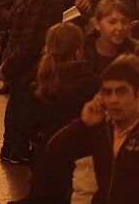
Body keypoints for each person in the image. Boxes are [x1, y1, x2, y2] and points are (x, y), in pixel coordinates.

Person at [23, 57, 139, 203]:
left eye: (121, 92)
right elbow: (55, 153)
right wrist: (83, 123)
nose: (113, 100)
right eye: (107, 92)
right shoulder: (103, 128)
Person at [0, 0, 64, 164]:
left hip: (30, 72)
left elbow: (32, 41)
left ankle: (17, 154)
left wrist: (8, 66)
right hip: (23, 72)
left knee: (22, 118)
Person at [26, 23, 98, 164]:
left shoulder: (38, 88)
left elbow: (29, 129)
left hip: (47, 157)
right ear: (78, 52)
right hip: (81, 158)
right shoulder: (92, 83)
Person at [83, 0, 139, 76]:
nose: (120, 28)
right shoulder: (83, 51)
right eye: (112, 22)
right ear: (97, 24)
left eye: (124, 22)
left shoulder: (134, 51)